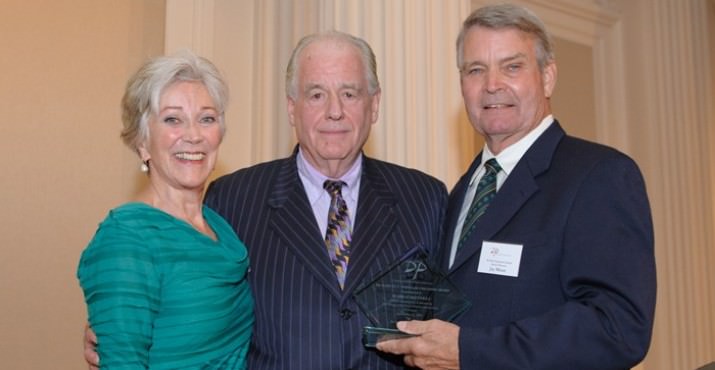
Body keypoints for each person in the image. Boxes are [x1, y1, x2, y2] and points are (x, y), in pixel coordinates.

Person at [85, 31, 447, 369]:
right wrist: (118, 323)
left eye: (350, 93)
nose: (334, 111)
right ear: (292, 107)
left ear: (375, 104)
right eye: (316, 94)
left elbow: (452, 317)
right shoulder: (231, 199)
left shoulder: (425, 197)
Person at [376, 4, 656, 370]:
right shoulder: (461, 192)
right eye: (476, 69)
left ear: (548, 76)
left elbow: (617, 326)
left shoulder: (599, 175)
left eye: (512, 66)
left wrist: (471, 350)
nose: (492, 84)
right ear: (462, 84)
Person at [77, 51, 254, 369]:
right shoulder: (126, 237)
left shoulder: (221, 225)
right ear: (142, 141)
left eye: (207, 118)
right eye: (173, 119)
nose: (194, 135)